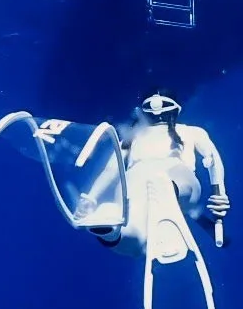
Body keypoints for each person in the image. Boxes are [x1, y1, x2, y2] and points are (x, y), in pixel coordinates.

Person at [88, 93, 230, 255]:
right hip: (135, 185)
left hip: (176, 179)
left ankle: (164, 206)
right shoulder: (131, 139)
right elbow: (111, 170)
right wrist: (91, 198)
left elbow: (212, 158)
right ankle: (113, 227)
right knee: (130, 233)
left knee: (168, 180)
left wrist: (220, 193)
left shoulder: (189, 132)